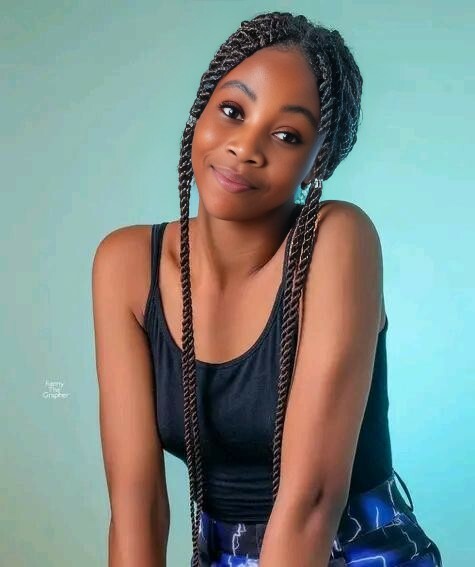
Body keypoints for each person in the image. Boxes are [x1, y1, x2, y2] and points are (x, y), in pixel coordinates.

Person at [92, 11, 443, 567]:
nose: (245, 147)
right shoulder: (126, 265)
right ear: (201, 111)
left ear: (319, 160)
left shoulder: (337, 240)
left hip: (356, 551)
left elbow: (311, 504)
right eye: (233, 111)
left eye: (287, 135)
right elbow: (137, 505)